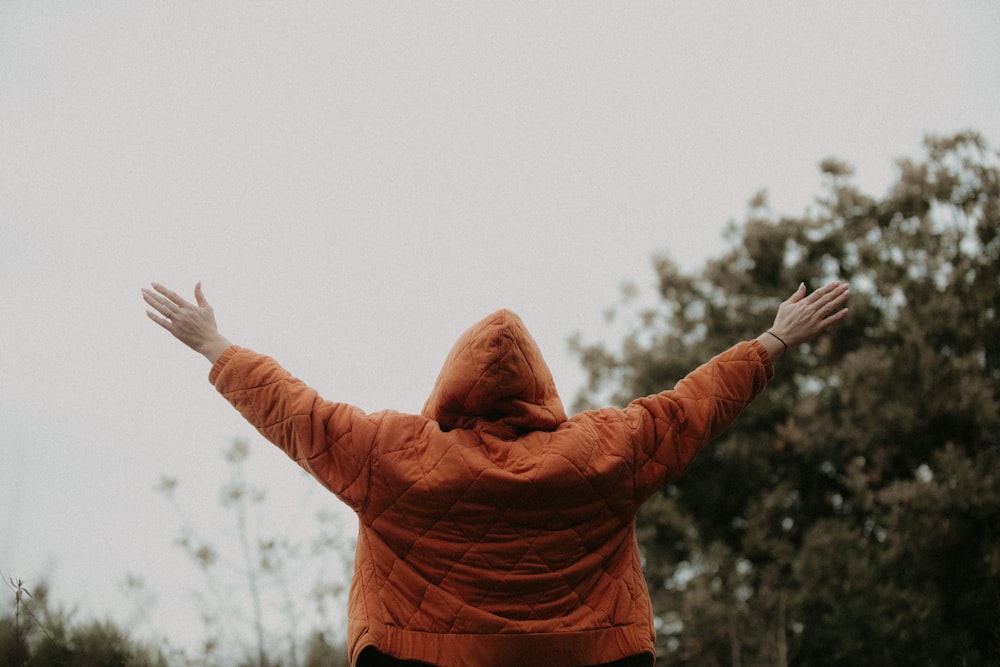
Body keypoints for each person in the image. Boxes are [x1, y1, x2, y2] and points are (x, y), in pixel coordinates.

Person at [142, 280, 849, 667]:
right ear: (540, 385)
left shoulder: (393, 454)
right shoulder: (605, 448)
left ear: (450, 385)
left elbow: (299, 414)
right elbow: (692, 407)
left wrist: (215, 346)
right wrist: (773, 339)